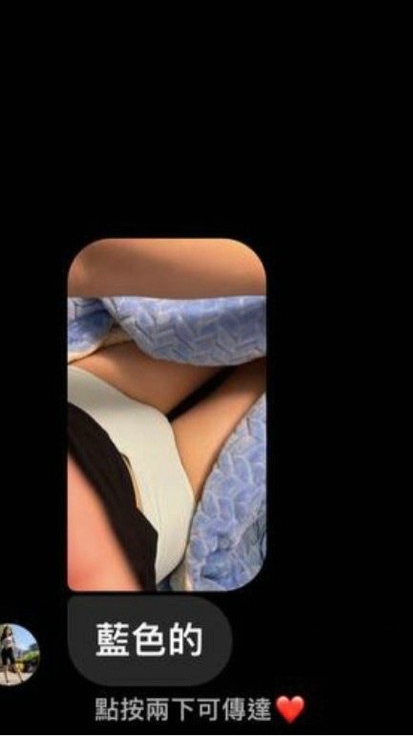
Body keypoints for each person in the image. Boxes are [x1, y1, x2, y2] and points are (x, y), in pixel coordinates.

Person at [67, 239, 267, 591]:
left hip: (91, 408)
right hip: (147, 511)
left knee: (244, 332)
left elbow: (90, 266)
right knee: (245, 341)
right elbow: (90, 266)